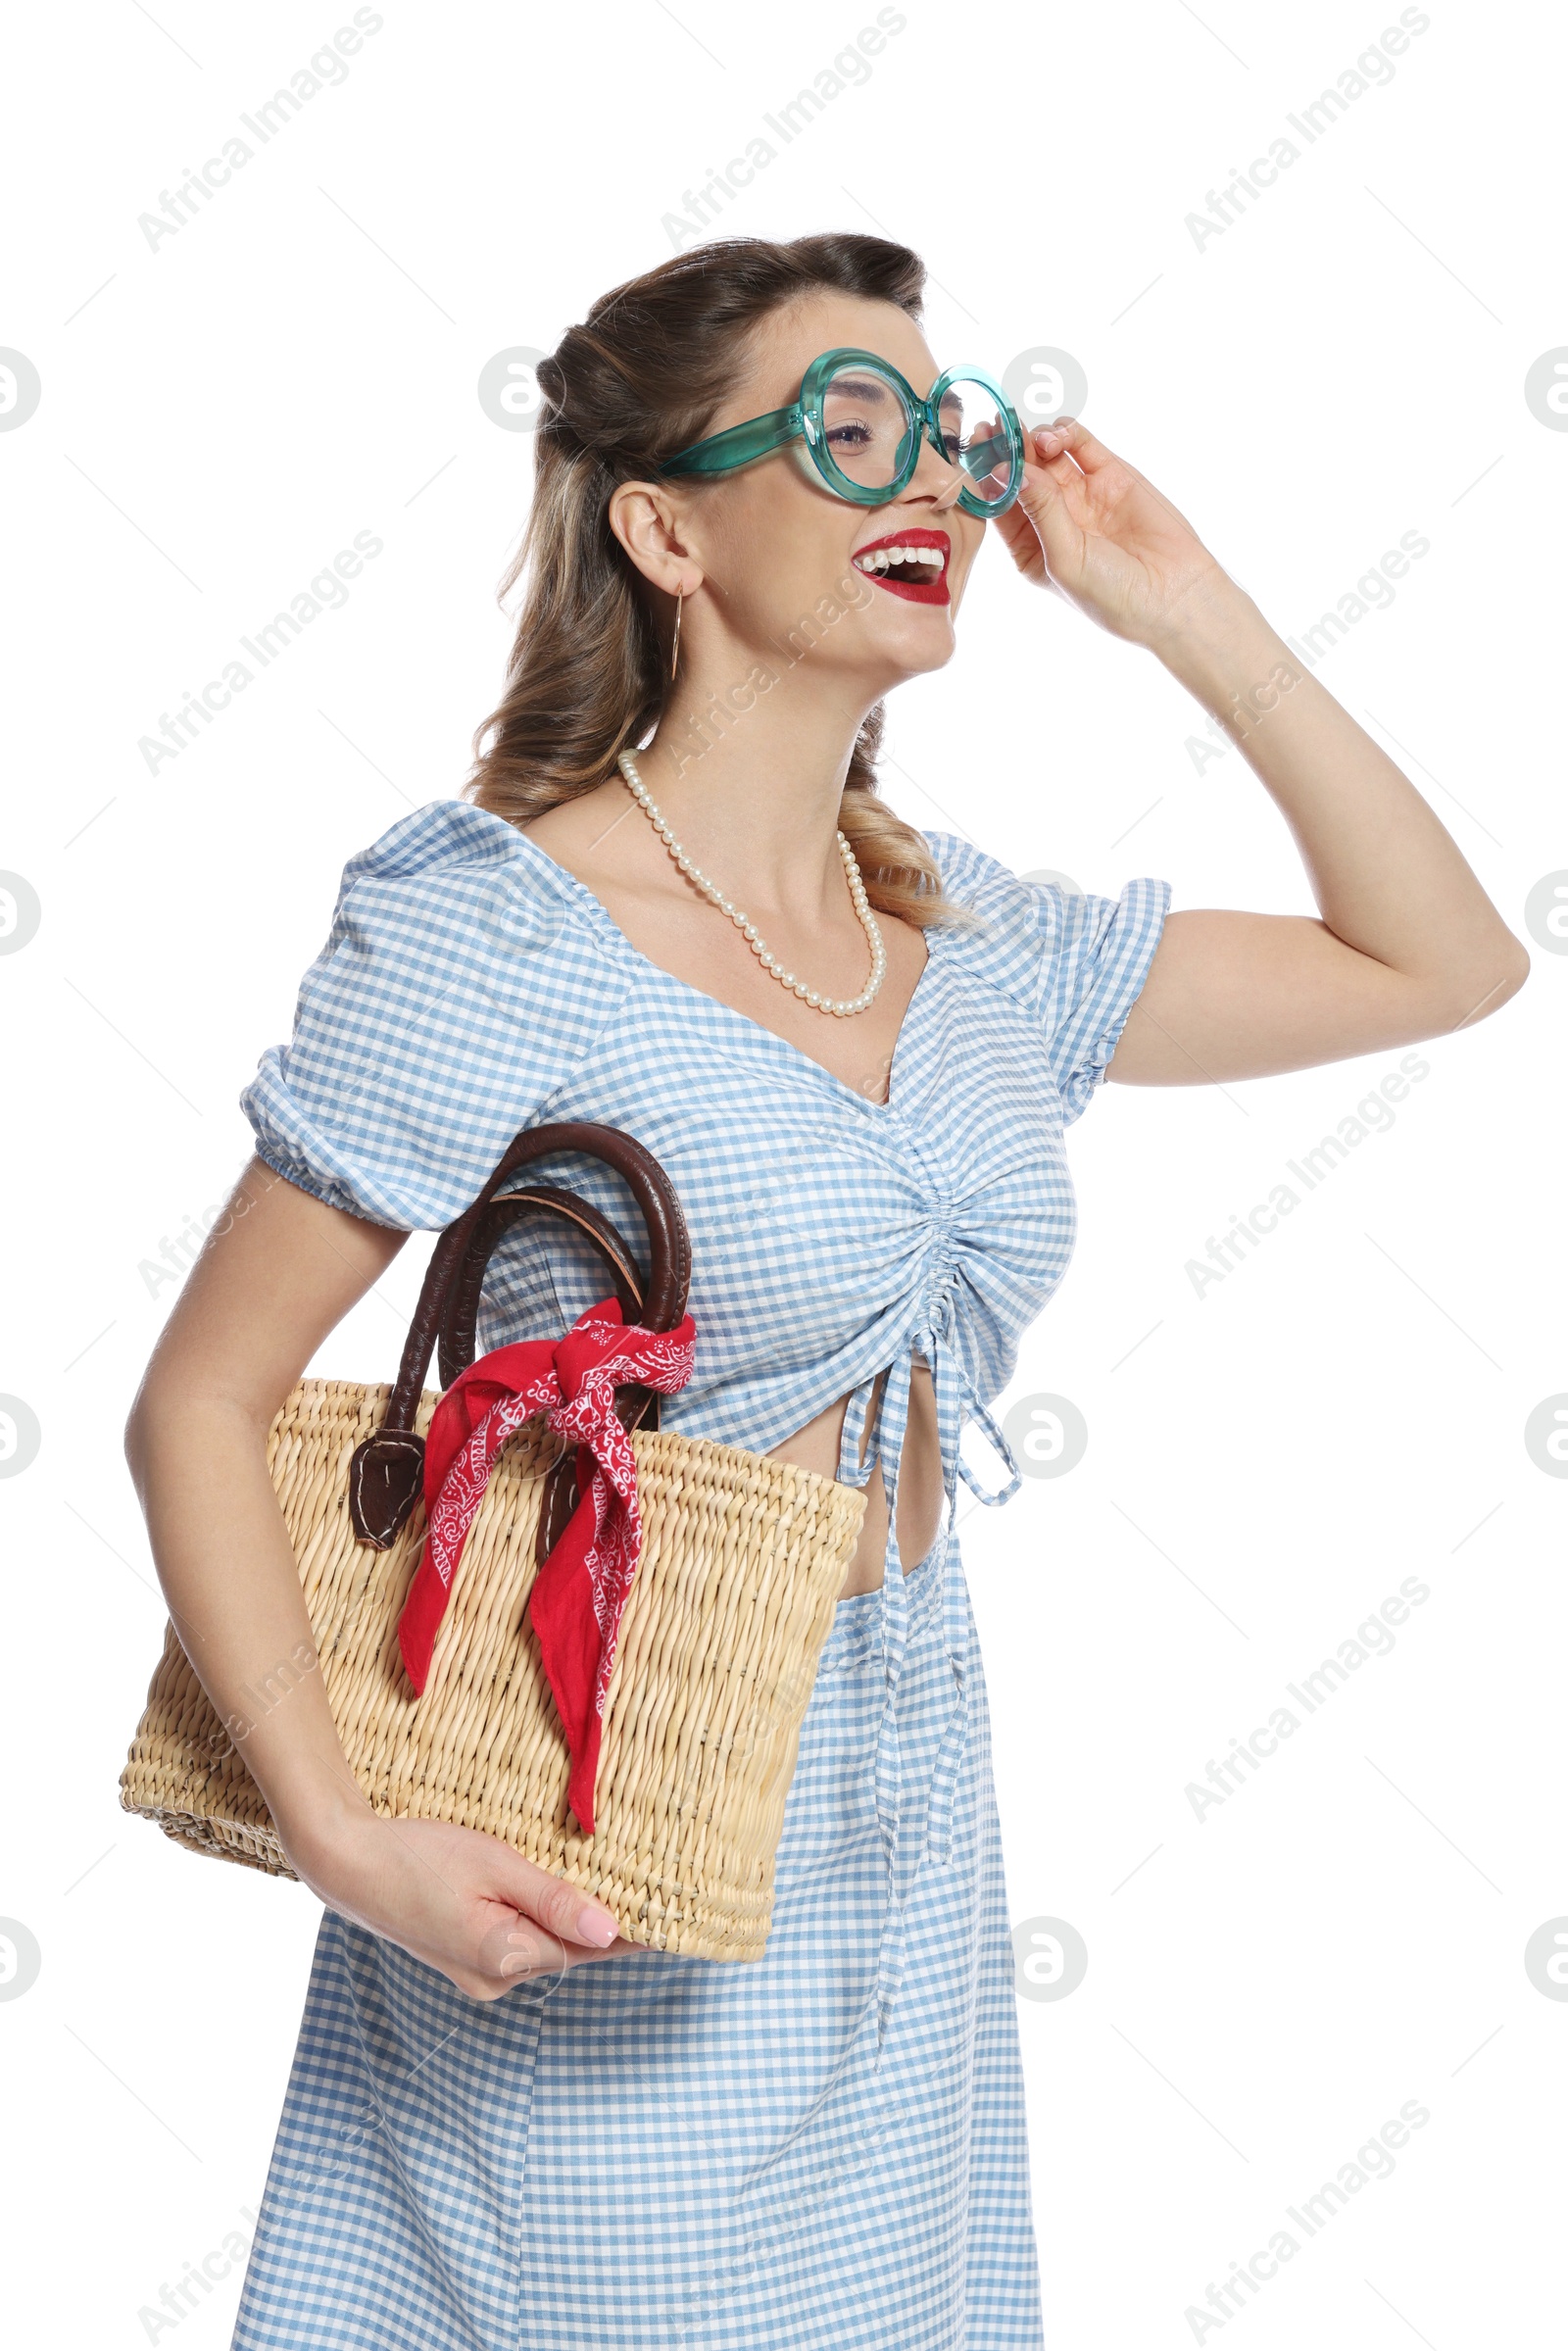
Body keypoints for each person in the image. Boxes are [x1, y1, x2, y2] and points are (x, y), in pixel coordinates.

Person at [124, 233, 1527, 2351]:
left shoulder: (953, 938)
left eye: (949, 435)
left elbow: (1441, 959)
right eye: (846, 429)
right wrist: (346, 1839)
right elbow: (201, 1401)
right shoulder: (498, 924)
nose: (934, 480)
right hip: (599, 1788)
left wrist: (1181, 609)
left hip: (897, 1796)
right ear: (664, 526)